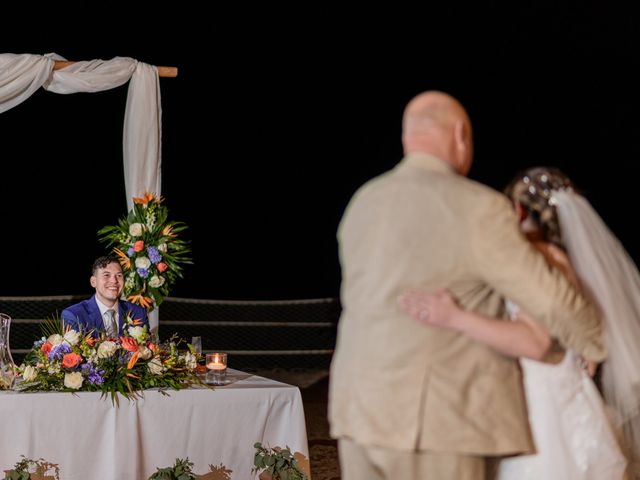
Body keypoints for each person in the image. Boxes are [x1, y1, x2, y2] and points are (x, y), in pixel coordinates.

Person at [328, 91, 606, 480]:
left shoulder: (364, 202)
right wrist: (596, 342)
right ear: (461, 135)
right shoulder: (478, 207)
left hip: (358, 412)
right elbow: (549, 298)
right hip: (438, 423)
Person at [400, 167, 640, 479]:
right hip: (572, 386)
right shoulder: (562, 258)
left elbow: (535, 340)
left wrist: (454, 317)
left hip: (539, 395)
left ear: (518, 210)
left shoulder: (532, 259)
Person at [62, 255, 149, 338]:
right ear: (93, 282)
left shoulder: (138, 313)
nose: (114, 281)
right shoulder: (74, 315)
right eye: (106, 275)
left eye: (119, 276)